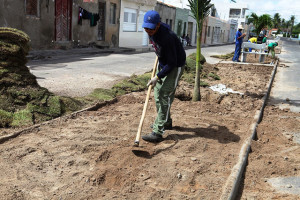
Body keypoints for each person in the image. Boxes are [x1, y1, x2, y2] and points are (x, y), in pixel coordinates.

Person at [141, 10, 186, 143]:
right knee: (157, 94)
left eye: (151, 28)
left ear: (158, 25)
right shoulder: (152, 32)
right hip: (164, 64)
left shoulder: (167, 37)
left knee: (165, 95)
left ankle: (158, 132)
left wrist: (158, 76)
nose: (148, 30)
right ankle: (166, 122)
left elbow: (172, 62)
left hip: (175, 66)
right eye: (146, 27)